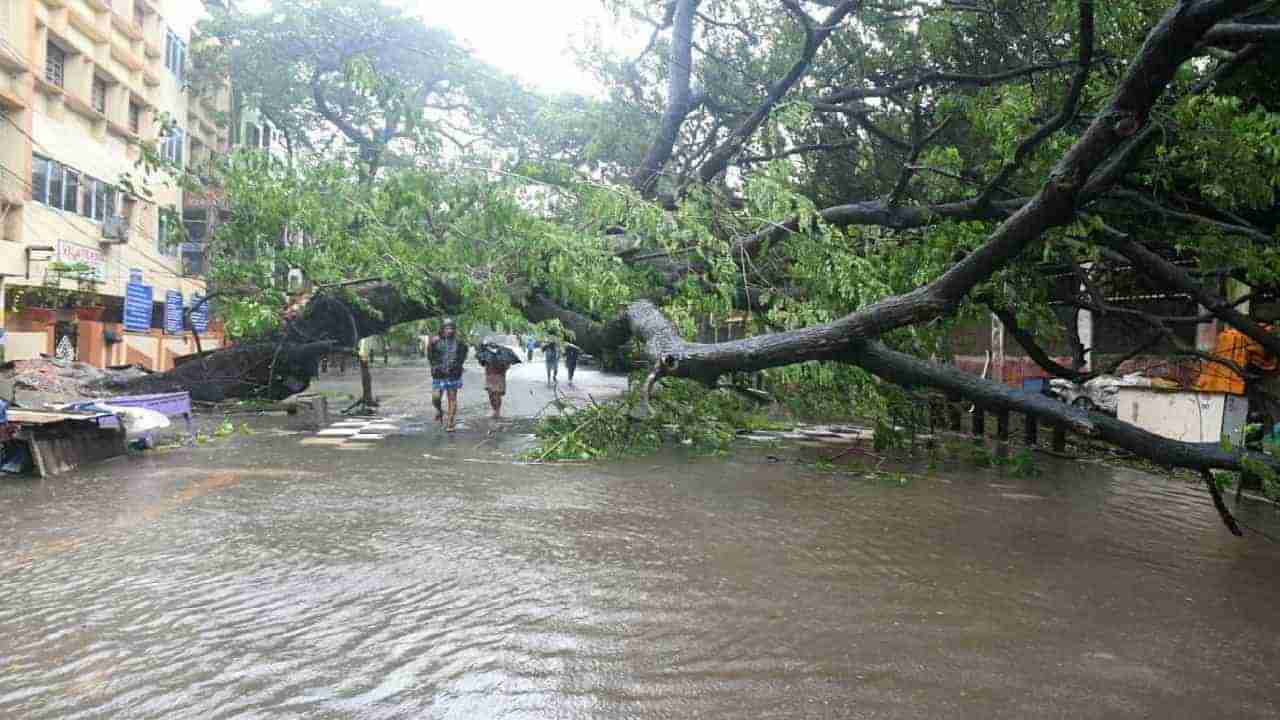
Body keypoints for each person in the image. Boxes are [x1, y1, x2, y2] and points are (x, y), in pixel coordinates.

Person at [428, 318, 469, 432]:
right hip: (439, 374)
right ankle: (439, 410)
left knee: (452, 398)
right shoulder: (435, 341)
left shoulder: (459, 342)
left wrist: (458, 365)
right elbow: (430, 356)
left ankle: (450, 422)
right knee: (436, 397)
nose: (449, 331)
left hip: (453, 374)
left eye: (451, 328)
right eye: (447, 328)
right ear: (442, 329)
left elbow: (463, 355)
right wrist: (434, 367)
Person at [478, 343, 514, 419]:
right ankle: (494, 410)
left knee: (496, 395)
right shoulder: (487, 355)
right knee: (491, 395)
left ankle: (497, 411)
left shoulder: (504, 355)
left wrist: (503, 368)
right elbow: (482, 363)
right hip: (489, 376)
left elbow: (507, 366)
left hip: (499, 377)